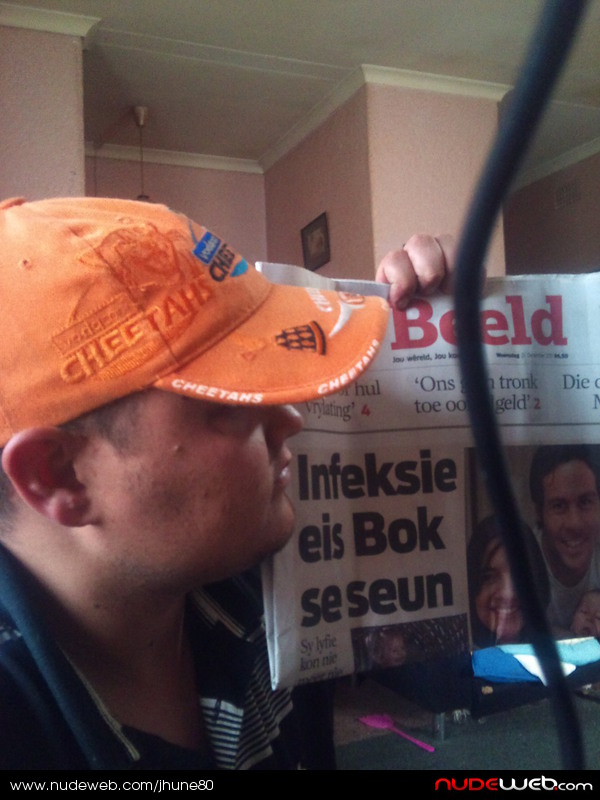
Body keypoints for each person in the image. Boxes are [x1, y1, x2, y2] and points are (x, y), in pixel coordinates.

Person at [0, 196, 455, 770]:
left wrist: (456, 325)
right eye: (228, 401)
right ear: (59, 476)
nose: (291, 419)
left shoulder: (242, 574)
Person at [529, 444, 600, 631]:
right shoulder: (523, 564)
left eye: (585, 502)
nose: (574, 523)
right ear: (539, 512)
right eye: (559, 506)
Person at [467, 515, 550, 648]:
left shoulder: (562, 648)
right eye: (489, 577)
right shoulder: (455, 658)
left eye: (520, 574)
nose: (507, 594)